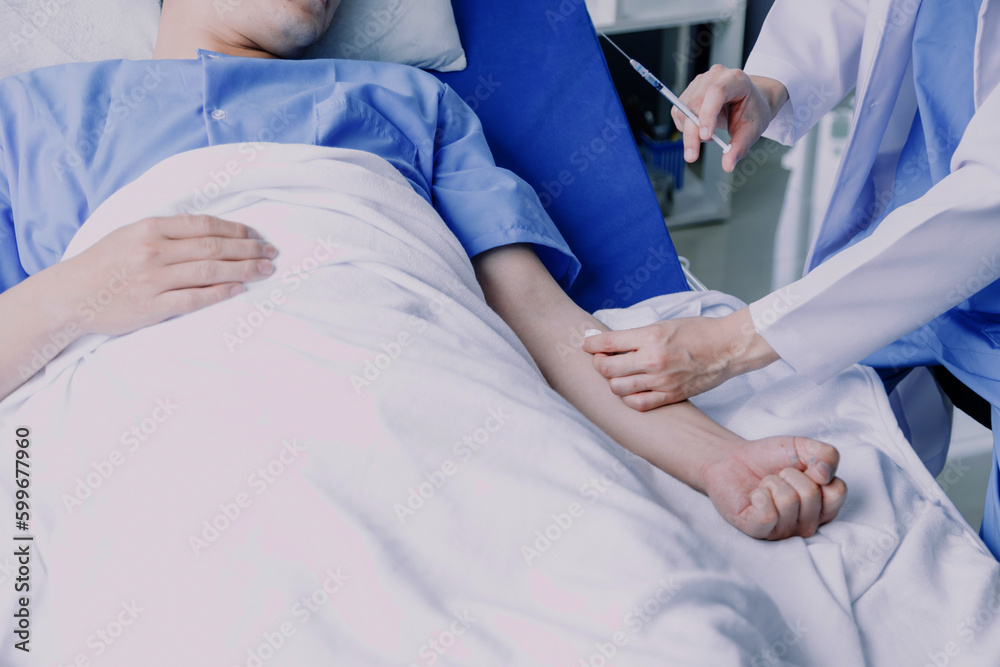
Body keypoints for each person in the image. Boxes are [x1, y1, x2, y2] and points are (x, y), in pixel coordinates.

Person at [0, 0, 846, 539]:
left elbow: (545, 324)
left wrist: (719, 459)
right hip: (166, 451)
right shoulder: (34, 118)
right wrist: (72, 297)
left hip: (414, 406)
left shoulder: (409, 104)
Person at [581, 0, 1000, 555]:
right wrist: (770, 82)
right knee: (872, 517)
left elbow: (987, 203)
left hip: (970, 230)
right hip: (909, 234)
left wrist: (731, 344)